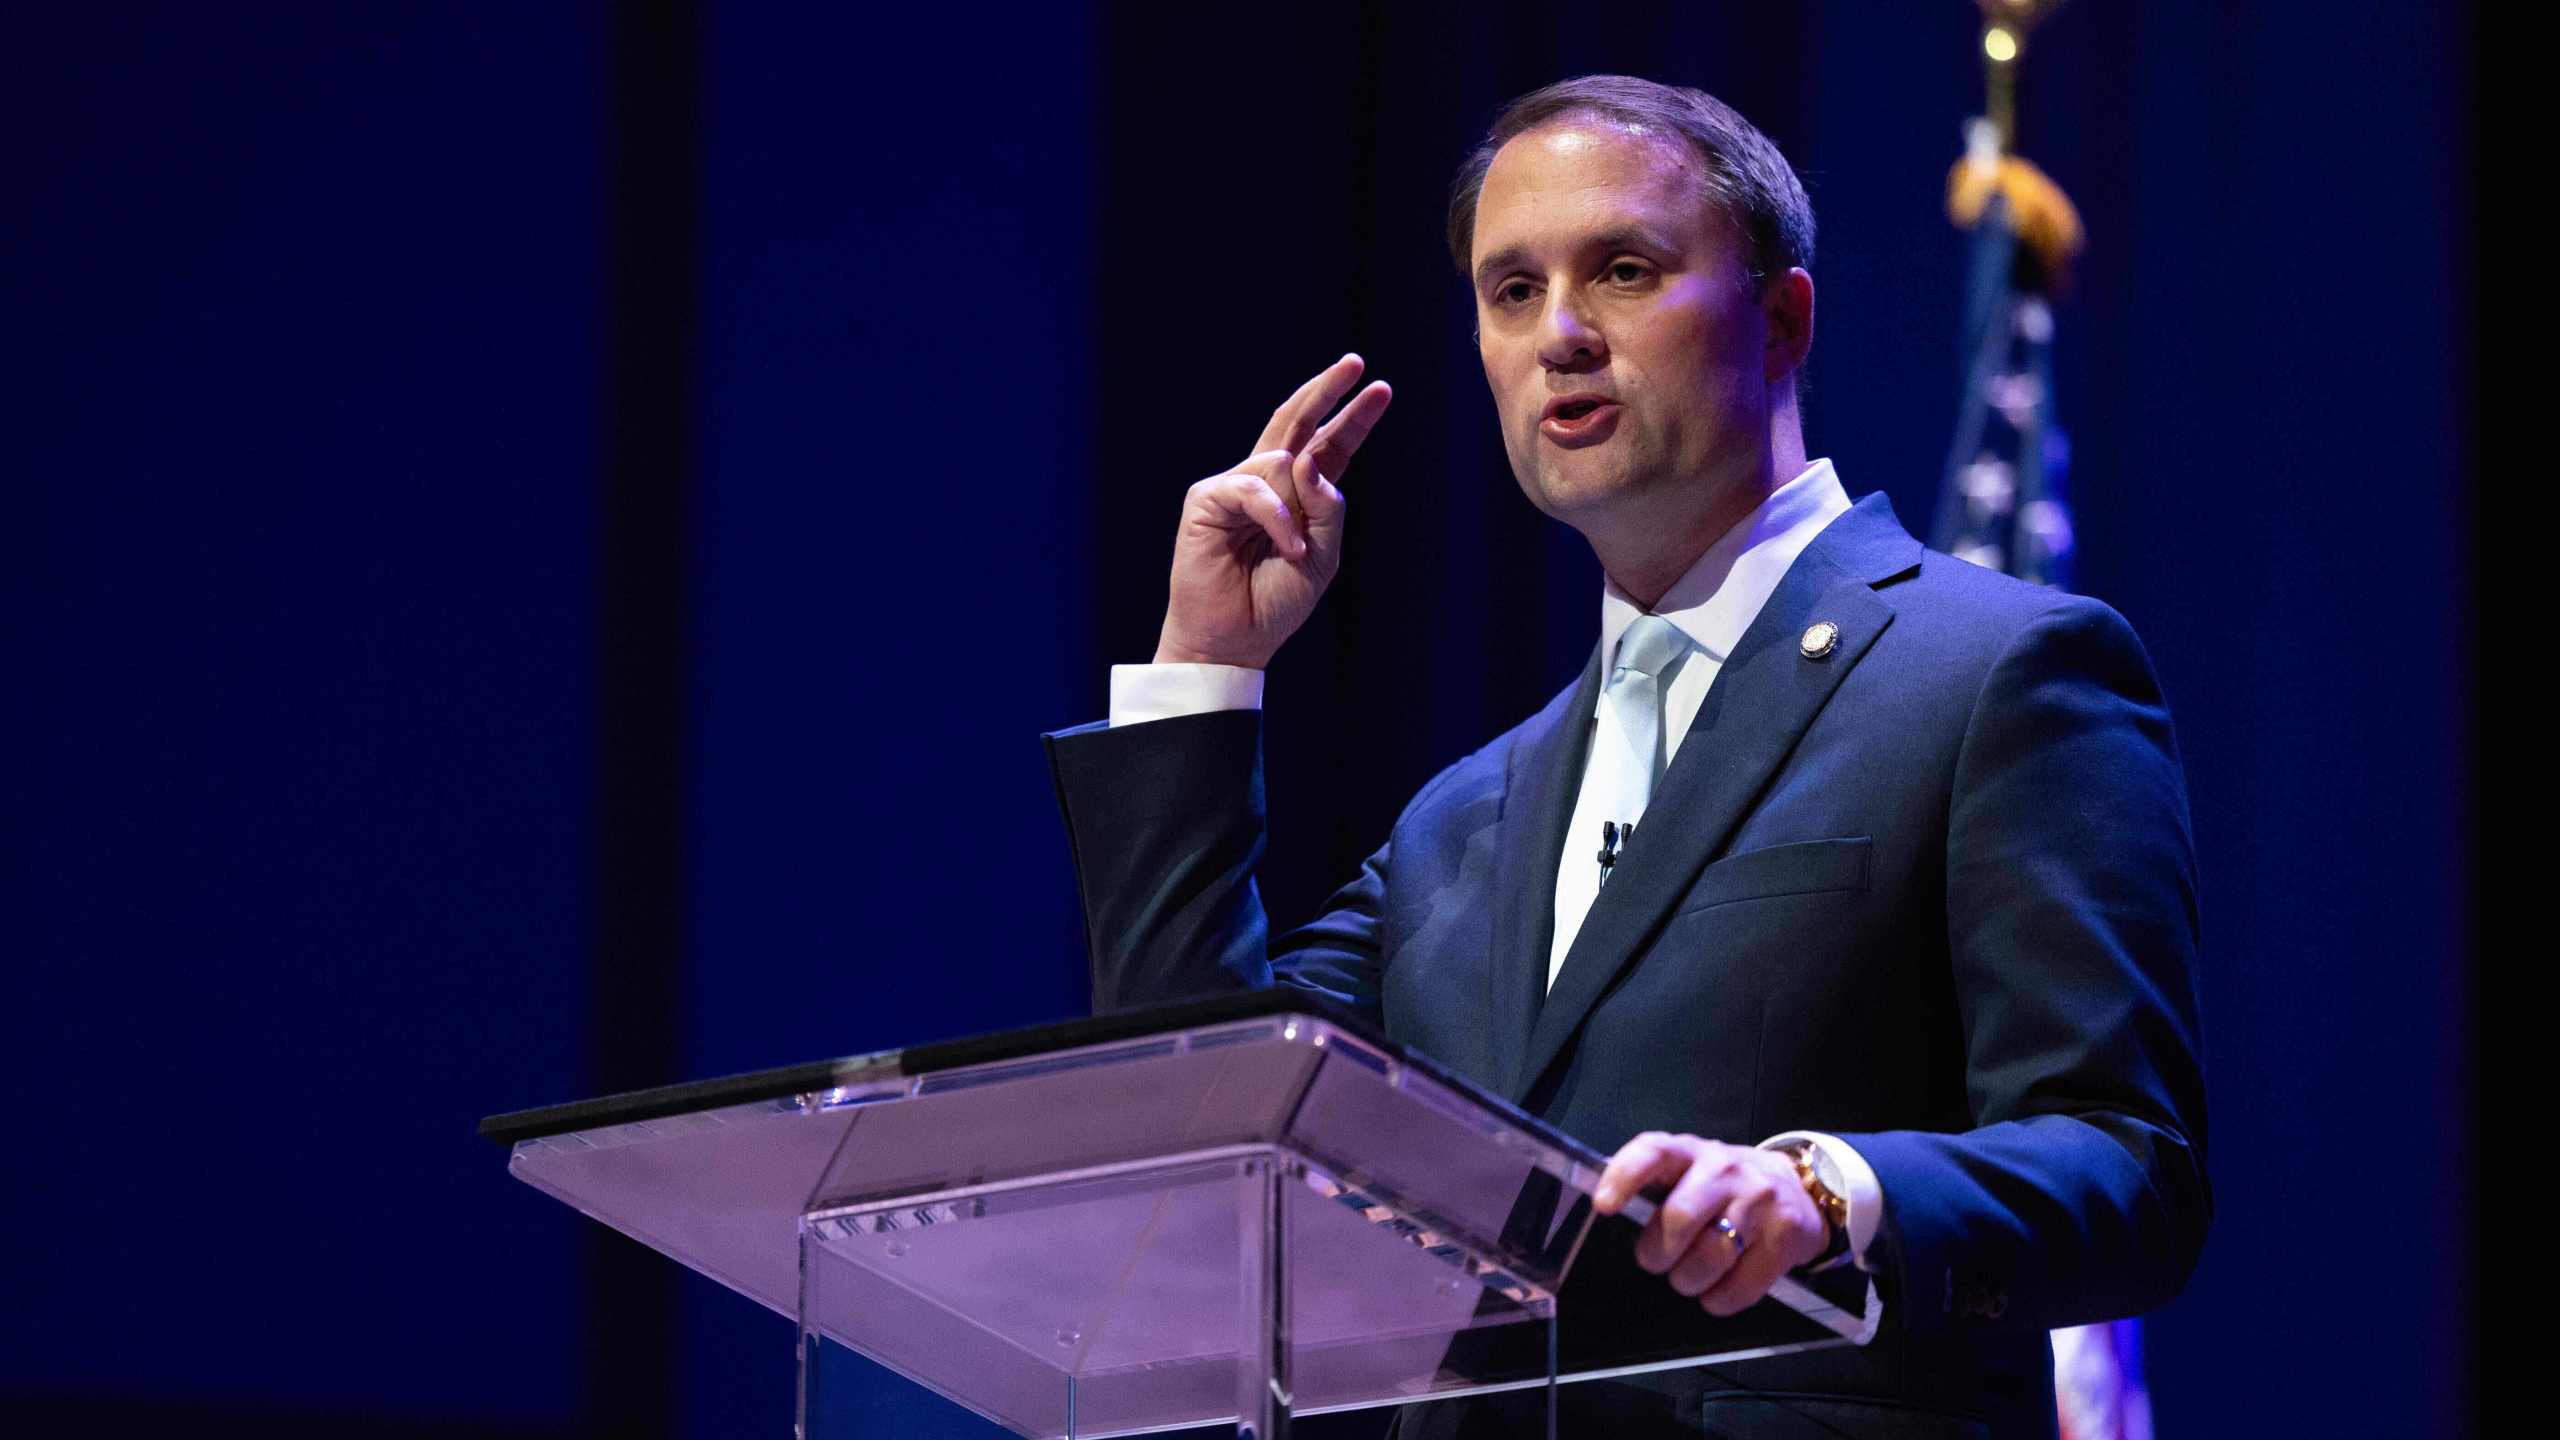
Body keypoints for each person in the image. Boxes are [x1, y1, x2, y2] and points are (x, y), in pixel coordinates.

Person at [1044, 75, 2207, 1438]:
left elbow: (2128, 1167)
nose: (1564, 336)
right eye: (1512, 291)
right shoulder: (1459, 823)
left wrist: (1833, 1193)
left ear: (1781, 319)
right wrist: (1205, 668)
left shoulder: (1996, 675)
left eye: (1627, 272)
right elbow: (1210, 1133)